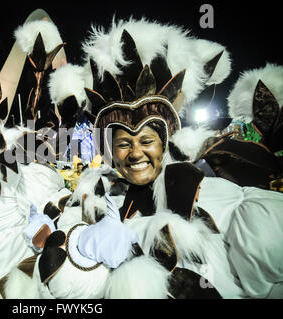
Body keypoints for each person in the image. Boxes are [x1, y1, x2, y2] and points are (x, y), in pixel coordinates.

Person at [21, 17, 283, 299]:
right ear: (110, 151)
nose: (135, 153)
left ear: (164, 143)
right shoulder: (102, 199)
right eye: (123, 143)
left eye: (146, 141)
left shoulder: (215, 194)